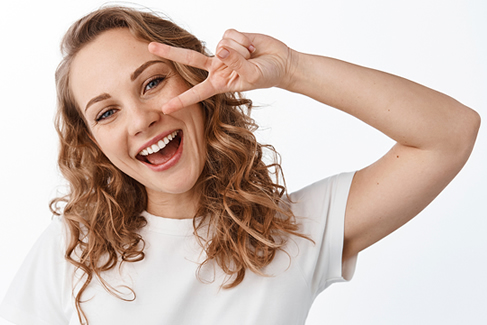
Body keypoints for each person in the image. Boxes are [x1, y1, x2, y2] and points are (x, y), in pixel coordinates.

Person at [0, 5, 480, 325]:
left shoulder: (294, 234)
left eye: (152, 83)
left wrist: (293, 69)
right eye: (107, 112)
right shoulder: (72, 252)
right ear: (94, 143)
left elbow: (449, 134)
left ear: (200, 80)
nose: (142, 119)